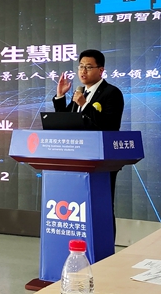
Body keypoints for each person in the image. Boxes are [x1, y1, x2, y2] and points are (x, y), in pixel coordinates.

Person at [53, 49, 125, 234]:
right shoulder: (80, 93)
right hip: (77, 158)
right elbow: (64, 122)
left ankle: (105, 246)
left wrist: (84, 105)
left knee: (101, 205)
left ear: (101, 70)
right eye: (80, 67)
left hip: (100, 161)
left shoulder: (111, 93)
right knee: (78, 207)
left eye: (88, 67)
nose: (83, 71)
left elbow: (109, 125)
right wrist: (60, 96)